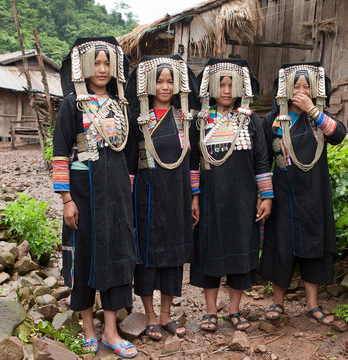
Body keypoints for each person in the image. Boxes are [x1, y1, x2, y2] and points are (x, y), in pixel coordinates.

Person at [53, 37, 137, 358]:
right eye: (96, 63)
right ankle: (89, 328)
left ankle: (111, 333)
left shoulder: (121, 104)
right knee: (85, 256)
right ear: (85, 66)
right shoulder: (72, 104)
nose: (102, 69)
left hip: (116, 194)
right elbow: (60, 154)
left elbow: (128, 153)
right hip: (84, 194)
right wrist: (66, 200)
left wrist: (127, 192)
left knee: (117, 255)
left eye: (107, 63)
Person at [190, 58, 273, 332]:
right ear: (211, 88)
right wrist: (195, 196)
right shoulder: (200, 121)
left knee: (240, 253)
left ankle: (235, 311)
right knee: (209, 250)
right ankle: (211, 312)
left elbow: (262, 159)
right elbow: (192, 161)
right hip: (211, 199)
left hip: (242, 198)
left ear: (241, 89)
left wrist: (265, 195)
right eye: (221, 85)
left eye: (231, 85)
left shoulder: (251, 121)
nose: (226, 90)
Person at [260, 62, 346, 325]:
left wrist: (312, 110)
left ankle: (312, 304)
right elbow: (262, 160)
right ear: (284, 90)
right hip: (283, 195)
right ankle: (277, 303)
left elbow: (339, 135)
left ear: (316, 89)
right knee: (280, 247)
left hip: (314, 194)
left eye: (306, 86)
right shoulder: (273, 120)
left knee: (314, 246)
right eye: (295, 86)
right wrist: (265, 196)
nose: (300, 91)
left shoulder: (319, 119)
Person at [125, 55, 200, 341]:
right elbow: (131, 163)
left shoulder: (186, 119)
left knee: (174, 255)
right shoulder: (138, 120)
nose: (165, 86)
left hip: (178, 195)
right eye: (160, 81)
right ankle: (150, 315)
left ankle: (167, 314)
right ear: (149, 84)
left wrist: (194, 197)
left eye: (170, 81)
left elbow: (193, 162)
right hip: (146, 196)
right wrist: (129, 199)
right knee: (147, 256)